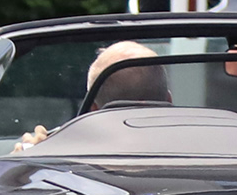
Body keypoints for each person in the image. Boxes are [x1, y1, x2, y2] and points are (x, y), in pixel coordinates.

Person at [16, 40, 169, 151]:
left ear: (93, 110)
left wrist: (25, 162)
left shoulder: (66, 163)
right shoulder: (191, 147)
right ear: (169, 101)